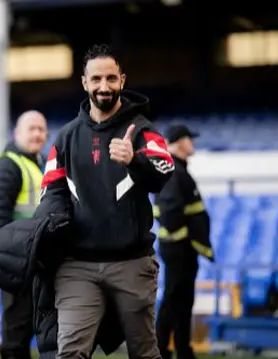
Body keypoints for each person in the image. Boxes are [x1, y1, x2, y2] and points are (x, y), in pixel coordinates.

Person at [35, 44, 174, 359]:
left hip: (133, 263)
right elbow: (52, 194)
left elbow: (164, 173)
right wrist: (49, 231)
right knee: (69, 352)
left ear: (122, 80)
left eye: (111, 78)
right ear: (84, 83)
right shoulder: (66, 137)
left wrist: (134, 161)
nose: (104, 86)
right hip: (77, 267)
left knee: (144, 352)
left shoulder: (143, 131)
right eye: (96, 79)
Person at [0, 110, 48, 359]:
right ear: (17, 133)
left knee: (42, 333)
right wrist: (17, 263)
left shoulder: (42, 163)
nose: (37, 134)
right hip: (18, 266)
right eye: (31, 128)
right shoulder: (9, 164)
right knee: (16, 336)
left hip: (40, 263)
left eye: (41, 129)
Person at [153, 124, 213, 359]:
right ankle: (159, 349)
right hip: (179, 249)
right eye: (190, 139)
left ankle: (182, 349)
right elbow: (169, 214)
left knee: (182, 301)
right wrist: (185, 237)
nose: (193, 143)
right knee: (173, 299)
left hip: (183, 248)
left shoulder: (178, 171)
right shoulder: (174, 172)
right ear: (179, 143)